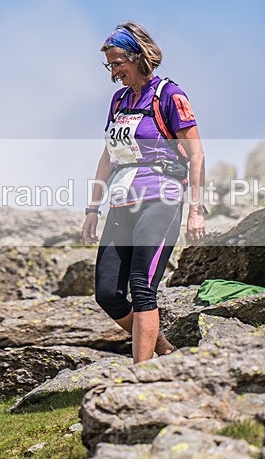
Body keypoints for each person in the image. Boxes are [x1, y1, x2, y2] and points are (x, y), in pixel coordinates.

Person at [82, 22, 206, 363]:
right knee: (108, 293)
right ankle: (162, 346)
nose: (114, 72)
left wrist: (196, 210)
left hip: (160, 198)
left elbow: (196, 154)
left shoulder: (169, 95)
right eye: (109, 65)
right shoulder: (119, 100)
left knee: (142, 287)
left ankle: (143, 373)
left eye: (118, 63)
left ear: (138, 57)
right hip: (121, 201)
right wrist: (92, 209)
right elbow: (108, 156)